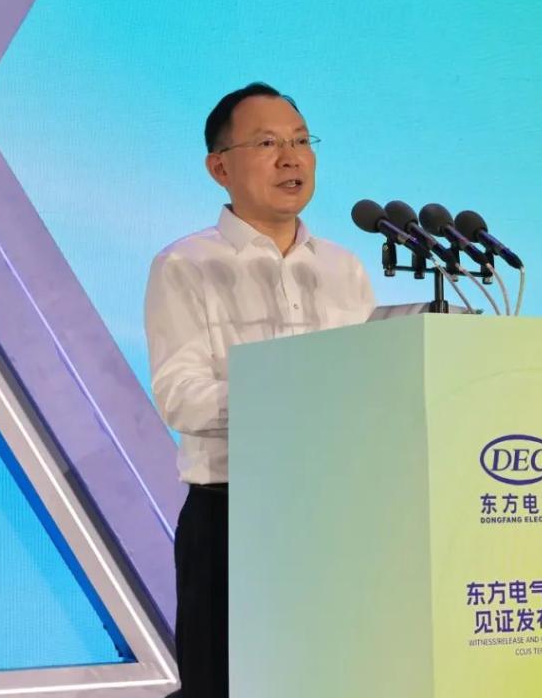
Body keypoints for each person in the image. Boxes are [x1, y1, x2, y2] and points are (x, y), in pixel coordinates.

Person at [144, 82, 375, 697]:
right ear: (219, 167)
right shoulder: (186, 265)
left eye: (301, 141)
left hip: (339, 514)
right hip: (232, 518)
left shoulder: (344, 268)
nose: (291, 158)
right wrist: (286, 395)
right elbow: (181, 396)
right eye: (268, 143)